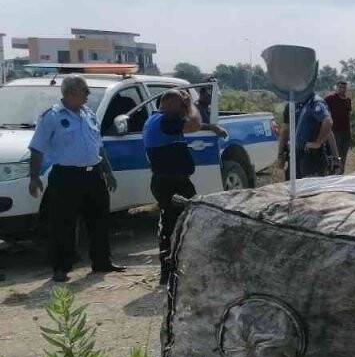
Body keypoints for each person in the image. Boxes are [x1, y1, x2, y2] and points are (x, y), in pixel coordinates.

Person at [26, 75, 123, 282]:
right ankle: (61, 267)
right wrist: (34, 177)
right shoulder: (52, 116)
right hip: (66, 176)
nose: (88, 94)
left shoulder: (89, 114)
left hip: (93, 174)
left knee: (99, 220)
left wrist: (108, 172)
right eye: (84, 90)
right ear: (70, 93)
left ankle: (102, 261)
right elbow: (37, 148)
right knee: (63, 224)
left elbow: (99, 146)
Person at [143, 89, 226, 285]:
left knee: (182, 222)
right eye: (180, 106)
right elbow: (194, 124)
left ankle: (175, 269)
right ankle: (169, 271)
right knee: (174, 226)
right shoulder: (165, 120)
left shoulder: (162, 120)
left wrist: (211, 127)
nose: (184, 110)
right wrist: (190, 105)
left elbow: (191, 125)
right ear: (170, 104)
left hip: (173, 181)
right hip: (170, 183)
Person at [324, 80, 353, 172]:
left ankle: (341, 171)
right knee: (334, 153)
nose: (342, 89)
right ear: (336, 88)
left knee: (343, 154)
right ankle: (332, 172)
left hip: (346, 131)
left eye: (344, 88)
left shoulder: (348, 100)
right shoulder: (330, 98)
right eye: (340, 87)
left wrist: (350, 130)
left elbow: (349, 116)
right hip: (334, 131)